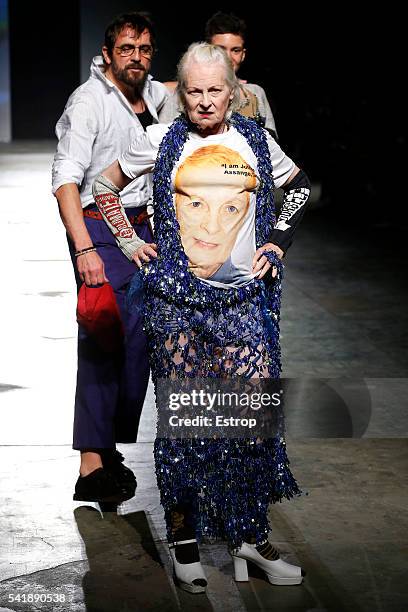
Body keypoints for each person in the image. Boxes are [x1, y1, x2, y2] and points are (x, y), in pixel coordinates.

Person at [93, 43, 310, 593]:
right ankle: (185, 540)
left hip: (244, 306)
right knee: (188, 429)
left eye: (217, 90)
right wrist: (129, 240)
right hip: (179, 309)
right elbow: (104, 185)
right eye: (195, 90)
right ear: (180, 91)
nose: (206, 100)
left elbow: (300, 186)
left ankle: (250, 539)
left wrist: (279, 241)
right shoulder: (161, 140)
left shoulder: (256, 141)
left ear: (234, 91)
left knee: (250, 428)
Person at [51, 12, 169, 504]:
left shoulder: (158, 96)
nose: (135, 57)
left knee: (138, 344)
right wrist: (84, 250)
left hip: (142, 231)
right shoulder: (89, 103)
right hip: (99, 226)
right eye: (126, 49)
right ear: (107, 53)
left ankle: (107, 446)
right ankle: (91, 461)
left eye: (143, 49)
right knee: (101, 335)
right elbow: (65, 182)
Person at [159, 11, 278, 139]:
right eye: (220, 49)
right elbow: (162, 141)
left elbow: (269, 146)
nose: (228, 57)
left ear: (243, 55)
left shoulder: (255, 93)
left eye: (235, 50)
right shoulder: (180, 93)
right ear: (208, 50)